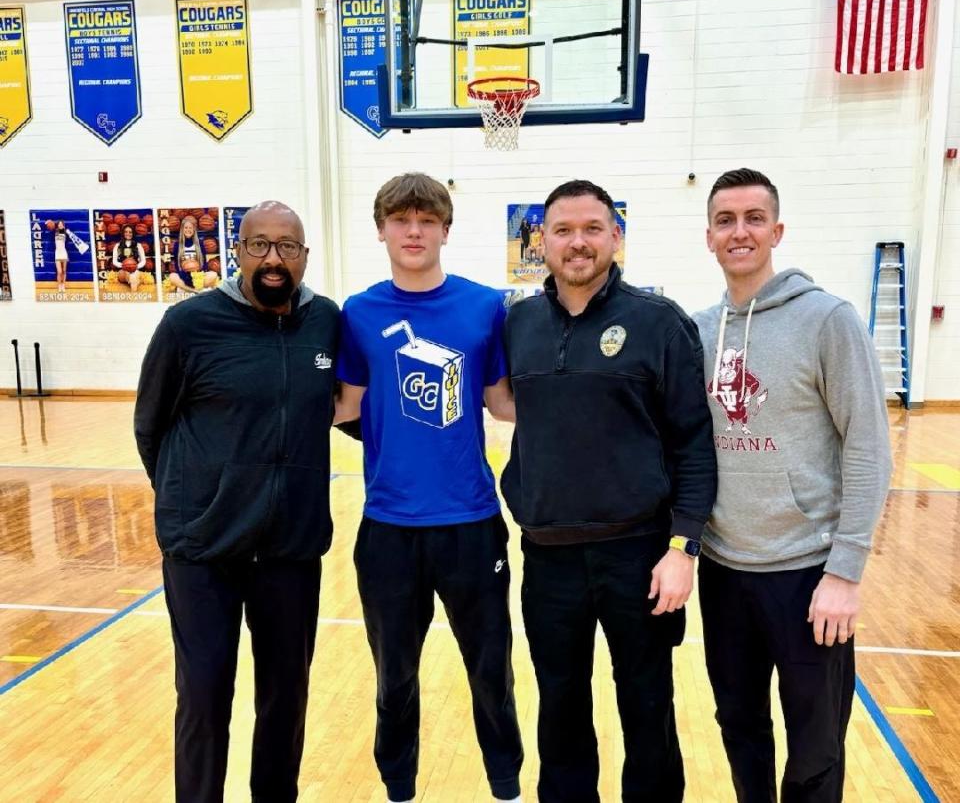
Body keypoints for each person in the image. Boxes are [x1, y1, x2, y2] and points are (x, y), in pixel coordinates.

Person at [501, 179, 717, 803]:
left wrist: (684, 547)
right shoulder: (519, 324)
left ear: (616, 236)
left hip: (640, 555)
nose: (578, 243)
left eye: (593, 229)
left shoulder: (659, 323)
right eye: (563, 230)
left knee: (647, 706)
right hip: (547, 557)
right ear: (542, 240)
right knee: (560, 708)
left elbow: (694, 444)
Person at [693, 168, 892, 802]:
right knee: (739, 726)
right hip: (724, 570)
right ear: (709, 237)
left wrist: (846, 571)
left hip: (809, 573)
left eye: (754, 219)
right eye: (726, 220)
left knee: (815, 745)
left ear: (777, 231)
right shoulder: (697, 330)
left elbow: (869, 448)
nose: (740, 232)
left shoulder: (829, 319)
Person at [134, 201, 340, 803]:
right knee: (202, 696)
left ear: (304, 257)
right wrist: (193, 504)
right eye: (260, 246)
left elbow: (352, 410)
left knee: (286, 699)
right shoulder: (188, 324)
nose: (273, 259)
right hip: (204, 552)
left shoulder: (325, 322)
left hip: (290, 550)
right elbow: (151, 427)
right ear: (239, 251)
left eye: (287, 247)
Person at [334, 172, 523, 803]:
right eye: (400, 220)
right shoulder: (360, 313)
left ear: (445, 229)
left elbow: (502, 405)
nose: (413, 232)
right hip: (388, 528)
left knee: (491, 671)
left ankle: (505, 783)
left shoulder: (483, 306)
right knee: (394, 677)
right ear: (382, 228)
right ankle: (399, 786)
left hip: (471, 521)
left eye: (426, 221)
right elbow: (344, 406)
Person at [168, 215, 217, 293]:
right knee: (172, 276)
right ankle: (195, 291)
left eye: (190, 228)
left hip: (197, 275)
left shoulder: (199, 244)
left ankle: (189, 288)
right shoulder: (177, 245)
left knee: (213, 274)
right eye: (186, 228)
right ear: (182, 230)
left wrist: (199, 274)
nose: (188, 230)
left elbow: (204, 263)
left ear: (194, 229)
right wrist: (183, 274)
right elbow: (177, 265)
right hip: (184, 275)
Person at [112, 224, 146, 293]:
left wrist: (136, 266)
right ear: (123, 233)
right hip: (122, 271)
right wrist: (124, 266)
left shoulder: (138, 245)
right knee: (130, 275)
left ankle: (133, 296)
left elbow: (143, 261)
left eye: (130, 232)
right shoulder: (118, 245)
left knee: (133, 276)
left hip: (135, 270)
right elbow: (114, 261)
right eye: (126, 232)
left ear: (133, 233)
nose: (128, 234)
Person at [53, 220, 69, 293]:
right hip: (57, 253)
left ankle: (63, 285)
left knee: (64, 271)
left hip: (64, 253)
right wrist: (48, 222)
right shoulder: (55, 232)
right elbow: (49, 226)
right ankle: (59, 285)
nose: (60, 225)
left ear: (63, 225)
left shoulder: (65, 232)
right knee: (59, 272)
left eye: (61, 224)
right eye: (59, 224)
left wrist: (67, 231)